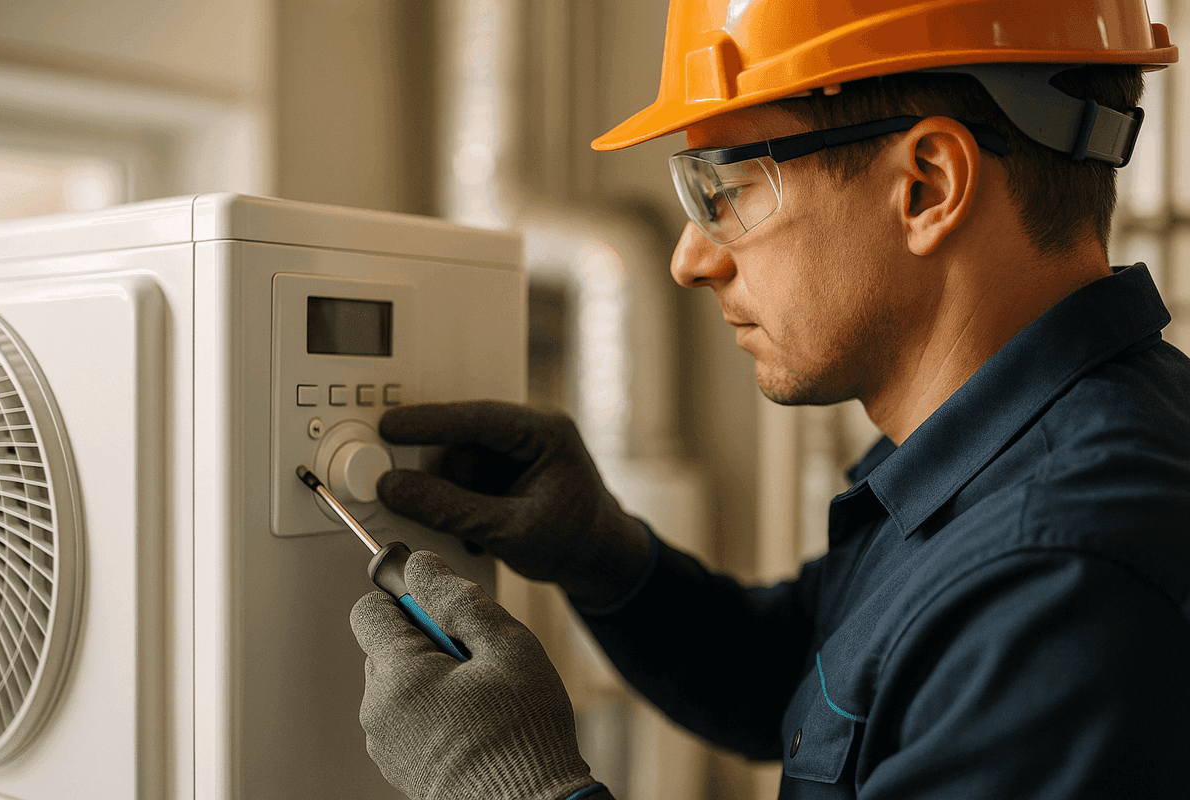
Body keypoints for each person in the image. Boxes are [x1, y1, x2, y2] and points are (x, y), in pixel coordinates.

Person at [347, 1, 1190, 798]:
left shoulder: (1060, 580)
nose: (690, 259)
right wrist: (604, 559)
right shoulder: (995, 445)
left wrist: (510, 781)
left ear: (926, 186)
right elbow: (821, 677)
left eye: (729, 187)